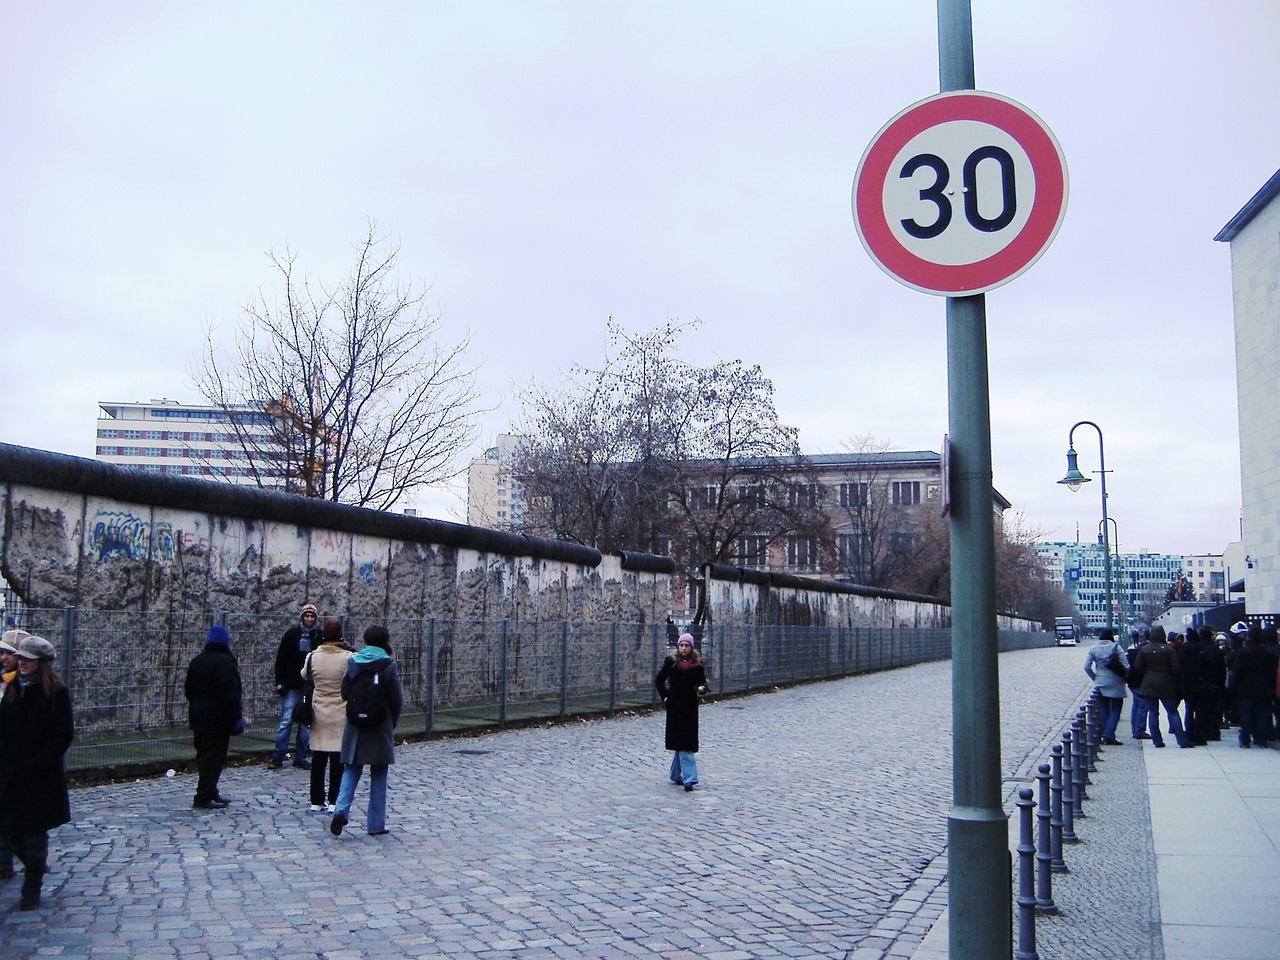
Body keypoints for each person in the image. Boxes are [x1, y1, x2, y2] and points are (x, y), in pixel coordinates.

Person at [0, 635, 74, 910]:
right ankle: (35, 866)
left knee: (34, 831)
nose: (22, 664)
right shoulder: (12, 689)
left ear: (40, 663)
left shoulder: (55, 692)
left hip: (38, 776)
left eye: (28, 660)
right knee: (8, 829)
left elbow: (62, 735)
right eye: (21, 658)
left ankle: (31, 887)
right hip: (10, 772)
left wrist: (38, 763)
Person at [330, 625, 403, 837]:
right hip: (380, 724)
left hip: (355, 724)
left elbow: (344, 692)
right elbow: (396, 699)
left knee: (351, 768)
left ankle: (341, 809)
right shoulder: (388, 665)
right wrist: (392, 721)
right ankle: (375, 824)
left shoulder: (354, 662)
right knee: (379, 773)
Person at [184, 624, 244, 809]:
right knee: (214, 758)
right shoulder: (226, 663)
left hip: (198, 715)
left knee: (203, 754)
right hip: (217, 719)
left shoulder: (197, 661)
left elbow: (188, 689)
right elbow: (231, 695)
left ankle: (210, 790)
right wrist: (236, 717)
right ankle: (203, 796)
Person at [303, 619, 353, 812]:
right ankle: (334, 800)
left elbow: (305, 675)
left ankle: (316, 800)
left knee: (318, 757)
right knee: (338, 758)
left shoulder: (313, 656)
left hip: (319, 710)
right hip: (340, 710)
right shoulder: (348, 657)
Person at [655, 633, 709, 791]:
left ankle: (676, 774)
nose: (684, 648)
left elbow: (702, 682)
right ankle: (690, 778)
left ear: (692, 647)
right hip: (675, 706)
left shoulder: (697, 665)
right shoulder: (671, 663)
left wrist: (702, 688)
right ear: (678, 647)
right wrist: (665, 697)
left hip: (690, 707)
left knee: (685, 742)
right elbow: (659, 680)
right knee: (683, 742)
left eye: (687, 645)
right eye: (681, 645)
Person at [270, 601, 320, 769]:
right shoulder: (291, 635)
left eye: (312, 616)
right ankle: (278, 755)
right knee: (286, 721)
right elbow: (281, 660)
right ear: (302, 617)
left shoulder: (318, 637)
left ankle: (301, 756)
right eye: (307, 616)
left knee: (305, 724)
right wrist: (280, 683)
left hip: (309, 686)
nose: (309, 619)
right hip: (292, 684)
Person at [0, 629, 28, 881]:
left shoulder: (22, 685)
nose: (4, 657)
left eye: (9, 652)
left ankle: (29, 858)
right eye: (3, 652)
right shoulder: (4, 679)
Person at [1133, 625, 1188, 748]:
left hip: (1149, 682)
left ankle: (1157, 741)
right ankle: (1181, 740)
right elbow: (1176, 667)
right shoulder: (1168, 649)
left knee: (1153, 712)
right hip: (1165, 682)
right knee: (1172, 711)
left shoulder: (1145, 649)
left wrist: (1147, 673)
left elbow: (1137, 667)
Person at [1084, 628, 1128, 745]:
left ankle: (1104, 734)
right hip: (1116, 682)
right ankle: (1109, 735)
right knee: (1116, 709)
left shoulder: (1093, 648)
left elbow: (1086, 667)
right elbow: (1126, 665)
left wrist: (1095, 677)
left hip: (1101, 682)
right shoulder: (1116, 647)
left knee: (1104, 708)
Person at [1233, 624, 1273, 748]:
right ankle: (1261, 739)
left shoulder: (1242, 652)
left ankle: (1245, 739)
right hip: (1263, 689)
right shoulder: (1266, 653)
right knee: (1262, 715)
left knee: (1246, 715)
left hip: (1245, 689)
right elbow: (1271, 672)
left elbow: (1237, 672)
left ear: (1248, 637)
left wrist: (1234, 687)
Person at [1126, 629, 1151, 739]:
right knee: (1143, 705)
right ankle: (1139, 730)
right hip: (1139, 682)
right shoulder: (1143, 652)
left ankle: (1135, 729)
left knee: (1136, 705)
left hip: (1132, 682)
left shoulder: (1133, 652)